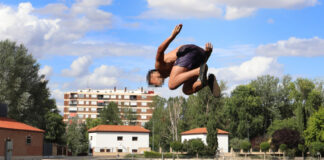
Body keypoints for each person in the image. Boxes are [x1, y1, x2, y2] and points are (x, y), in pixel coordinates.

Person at [146, 24, 220, 97]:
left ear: (153, 74)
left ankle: (198, 71)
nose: (155, 84)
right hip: (199, 56)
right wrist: (207, 54)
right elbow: (199, 65)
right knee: (187, 90)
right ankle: (208, 81)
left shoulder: (159, 67)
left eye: (152, 80)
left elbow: (160, 50)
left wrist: (173, 36)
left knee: (172, 84)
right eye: (155, 85)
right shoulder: (175, 73)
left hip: (186, 51)